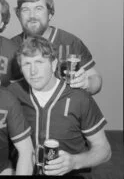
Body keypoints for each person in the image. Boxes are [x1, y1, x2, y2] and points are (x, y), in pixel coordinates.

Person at [7, 36, 111, 177]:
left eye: (39, 62)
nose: (33, 71)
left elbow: (104, 150)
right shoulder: (12, 93)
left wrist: (74, 162)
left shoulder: (79, 97)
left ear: (54, 64)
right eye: (26, 64)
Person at [12, 0, 102, 95]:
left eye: (38, 8)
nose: (32, 15)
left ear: (50, 14)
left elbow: (95, 79)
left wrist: (87, 83)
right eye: (25, 10)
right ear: (18, 14)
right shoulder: (10, 46)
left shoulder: (70, 42)